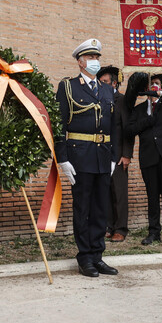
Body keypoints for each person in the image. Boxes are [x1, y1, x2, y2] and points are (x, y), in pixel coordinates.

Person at [56, 39, 120, 278]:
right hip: (79, 157)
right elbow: (60, 124)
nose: (96, 62)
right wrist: (63, 159)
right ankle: (85, 258)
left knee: (100, 209)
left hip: (103, 157)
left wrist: (113, 156)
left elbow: (114, 125)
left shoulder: (107, 90)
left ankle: (98, 255)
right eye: (91, 58)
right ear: (80, 62)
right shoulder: (69, 87)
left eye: (98, 58)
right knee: (83, 208)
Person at [127, 73, 162, 247]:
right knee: (152, 197)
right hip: (149, 157)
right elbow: (129, 130)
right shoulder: (139, 109)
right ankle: (153, 232)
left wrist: (161, 94)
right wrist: (147, 121)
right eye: (151, 85)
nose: (154, 87)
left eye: (157, 84)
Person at [97, 65, 134, 242]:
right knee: (105, 192)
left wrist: (127, 154)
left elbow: (128, 130)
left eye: (105, 81)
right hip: (102, 154)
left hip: (119, 155)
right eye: (100, 82)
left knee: (119, 193)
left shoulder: (122, 100)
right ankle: (108, 226)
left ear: (114, 83)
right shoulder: (98, 100)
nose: (102, 84)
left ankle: (120, 228)